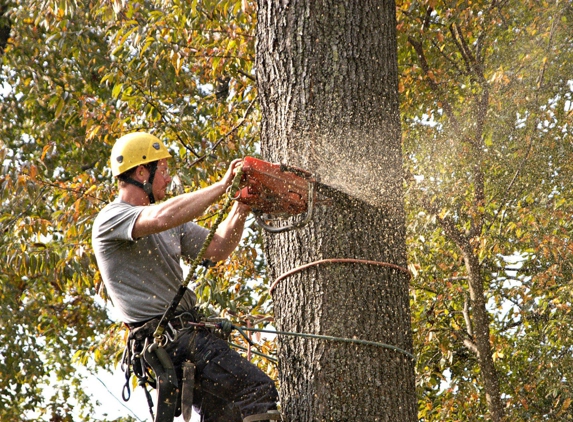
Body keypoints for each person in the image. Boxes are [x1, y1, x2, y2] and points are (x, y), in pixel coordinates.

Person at [92, 132, 280, 422]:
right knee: (256, 390)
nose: (168, 179)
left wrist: (241, 205)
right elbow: (161, 218)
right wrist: (222, 185)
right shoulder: (112, 218)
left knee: (228, 414)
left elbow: (217, 249)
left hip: (188, 337)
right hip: (173, 340)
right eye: (163, 171)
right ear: (142, 171)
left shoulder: (169, 222)